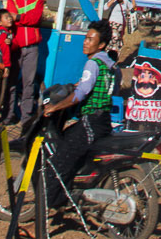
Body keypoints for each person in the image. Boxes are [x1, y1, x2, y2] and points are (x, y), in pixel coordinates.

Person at [41, 20, 120, 211]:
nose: (85, 42)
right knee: (69, 143)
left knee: (57, 162)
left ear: (101, 45)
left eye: (90, 39)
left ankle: (47, 210)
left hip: (91, 121)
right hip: (104, 122)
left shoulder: (93, 63)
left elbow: (81, 94)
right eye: (85, 38)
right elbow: (107, 89)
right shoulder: (111, 66)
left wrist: (55, 107)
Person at [6, 0, 45, 127]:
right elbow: (10, 16)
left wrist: (19, 17)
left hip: (32, 47)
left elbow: (36, 19)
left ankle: (26, 117)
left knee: (28, 83)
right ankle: (8, 114)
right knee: (11, 81)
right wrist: (23, 18)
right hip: (16, 47)